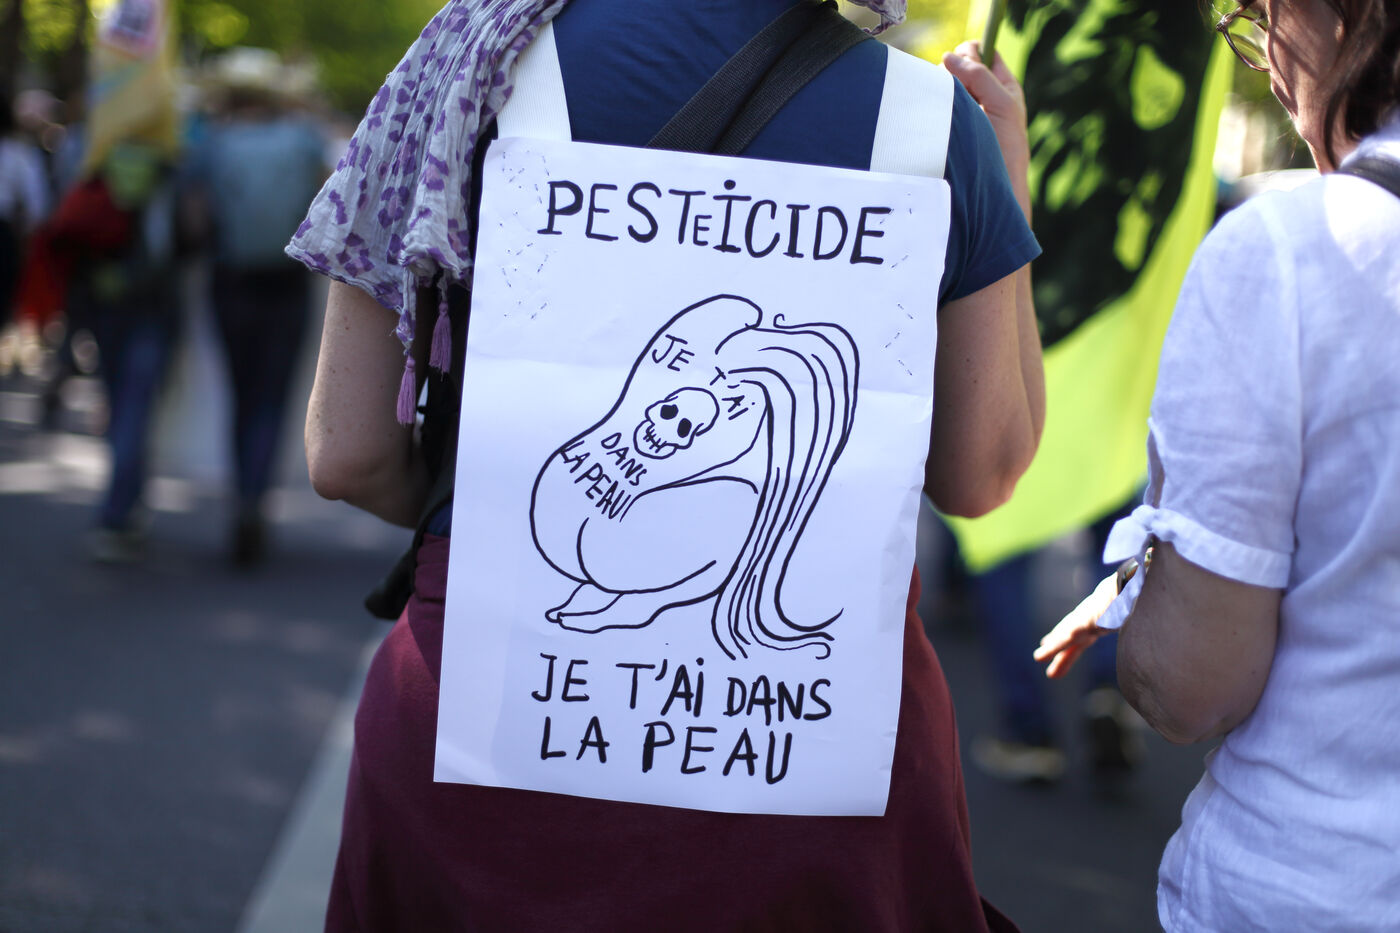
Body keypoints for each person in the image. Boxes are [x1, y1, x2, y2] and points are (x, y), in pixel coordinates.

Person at [293, 1, 1044, 928]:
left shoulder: (470, 66)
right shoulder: (933, 122)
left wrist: (490, 512)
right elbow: (983, 473)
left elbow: (348, 452)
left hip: (477, 718)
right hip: (807, 753)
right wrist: (1006, 188)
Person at [1036, 0, 1400, 928]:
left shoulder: (1294, 251)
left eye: (1262, 17)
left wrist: (1154, 578)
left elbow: (1189, 686)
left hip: (1314, 888)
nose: (1268, 62)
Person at [189, 50, 327, 566]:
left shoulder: (212, 144)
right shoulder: (303, 139)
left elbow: (195, 220)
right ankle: (256, 499)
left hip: (230, 283)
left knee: (240, 393)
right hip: (287, 283)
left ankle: (241, 495)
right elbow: (330, 205)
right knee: (272, 395)